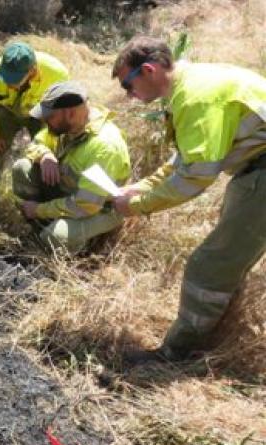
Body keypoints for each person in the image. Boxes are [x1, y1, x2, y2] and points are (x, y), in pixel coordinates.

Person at [110, 36, 266, 363]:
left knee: (207, 267)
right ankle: (217, 335)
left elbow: (196, 176)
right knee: (226, 261)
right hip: (253, 171)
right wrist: (142, 187)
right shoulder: (189, 83)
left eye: (128, 84)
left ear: (149, 70)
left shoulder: (194, 98)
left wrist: (137, 206)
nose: (129, 94)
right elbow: (186, 158)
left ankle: (176, 354)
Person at [12, 81, 131, 253]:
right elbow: (37, 142)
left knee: (56, 238)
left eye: (50, 116)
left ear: (70, 113)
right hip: (70, 192)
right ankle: (41, 228)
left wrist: (39, 210)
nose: (45, 121)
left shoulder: (104, 147)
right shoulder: (67, 126)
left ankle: (87, 246)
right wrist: (44, 155)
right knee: (22, 167)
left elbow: (86, 205)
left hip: (97, 208)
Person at [0, 41, 69, 178]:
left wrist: (44, 149)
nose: (8, 83)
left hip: (42, 114)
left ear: (32, 71)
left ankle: (38, 182)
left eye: (14, 80)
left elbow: (58, 115)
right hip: (7, 112)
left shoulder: (57, 75)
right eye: (5, 77)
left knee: (48, 155)